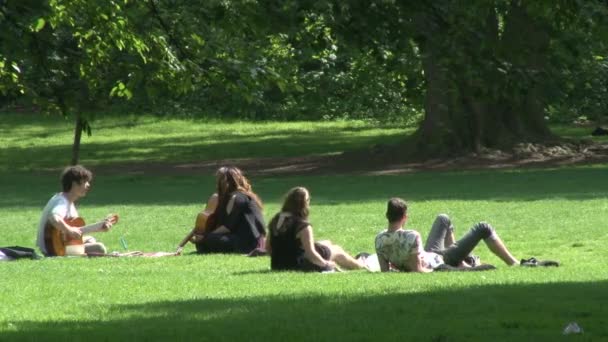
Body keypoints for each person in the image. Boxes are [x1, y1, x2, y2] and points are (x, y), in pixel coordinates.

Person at [375, 197, 545, 273]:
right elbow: (418, 269)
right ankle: (513, 263)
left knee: (443, 218)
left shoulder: (379, 240)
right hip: (439, 261)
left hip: (431, 254)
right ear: (405, 217)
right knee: (483, 227)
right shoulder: (412, 236)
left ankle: (461, 261)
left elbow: (385, 271)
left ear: (387, 216)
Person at [266, 186, 367, 272]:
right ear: (304, 203)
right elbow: (311, 254)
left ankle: (354, 259)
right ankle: (360, 264)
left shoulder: (276, 220)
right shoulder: (302, 225)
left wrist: (283, 257)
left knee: (327, 242)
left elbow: (268, 248)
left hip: (277, 265)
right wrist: (326, 264)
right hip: (299, 264)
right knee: (336, 250)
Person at [36, 165, 116, 256]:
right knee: (100, 248)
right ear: (74, 184)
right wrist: (69, 229)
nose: (88, 185)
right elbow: (54, 218)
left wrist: (99, 227)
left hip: (56, 246)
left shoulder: (66, 201)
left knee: (90, 239)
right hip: (54, 249)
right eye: (85, 182)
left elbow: (74, 233)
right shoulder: (62, 202)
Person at [194, 166, 266, 254]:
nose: (217, 183)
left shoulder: (238, 198)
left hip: (248, 241)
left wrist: (205, 236)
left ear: (225, 182)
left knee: (207, 240)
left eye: (219, 180)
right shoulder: (236, 196)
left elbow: (227, 227)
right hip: (242, 238)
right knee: (204, 241)